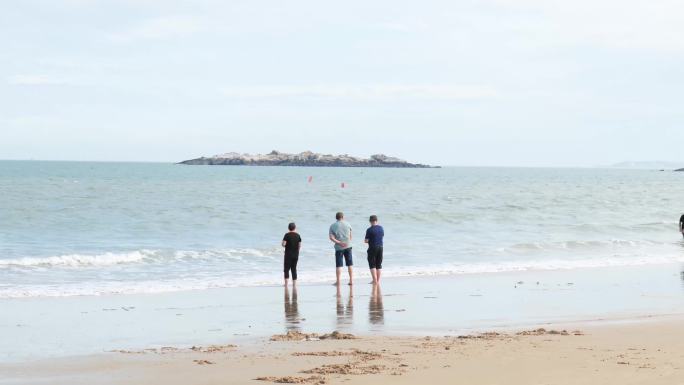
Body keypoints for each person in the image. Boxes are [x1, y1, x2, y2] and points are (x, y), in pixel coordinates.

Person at [329, 212, 353, 286]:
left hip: (339, 248)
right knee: (350, 264)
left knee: (339, 265)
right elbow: (351, 236)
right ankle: (351, 280)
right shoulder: (348, 224)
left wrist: (339, 242)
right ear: (343, 217)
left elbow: (331, 238)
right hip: (348, 246)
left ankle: (338, 281)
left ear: (336, 217)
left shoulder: (332, 226)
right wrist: (346, 242)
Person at [364, 215, 384, 285]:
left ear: (370, 221)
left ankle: (374, 280)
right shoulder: (381, 228)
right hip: (381, 247)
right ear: (377, 220)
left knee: (372, 264)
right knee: (379, 264)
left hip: (373, 247)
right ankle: (377, 281)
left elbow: (366, 240)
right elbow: (382, 236)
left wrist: (369, 240)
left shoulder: (369, 230)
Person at [282, 222, 302, 286]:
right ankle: (294, 284)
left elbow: (283, 244)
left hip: (288, 254)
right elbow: (299, 245)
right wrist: (297, 251)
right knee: (294, 269)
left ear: (288, 228)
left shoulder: (287, 235)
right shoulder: (298, 235)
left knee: (286, 269)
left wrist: (285, 245)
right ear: (295, 228)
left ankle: (286, 284)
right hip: (296, 255)